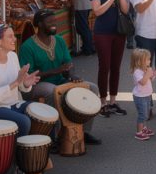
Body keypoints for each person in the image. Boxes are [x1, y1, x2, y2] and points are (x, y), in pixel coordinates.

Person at [19, 10, 102, 144]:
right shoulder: (27, 46)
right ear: (39, 24)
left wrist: (71, 74)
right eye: (50, 22)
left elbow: (68, 63)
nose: (54, 24)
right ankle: (55, 136)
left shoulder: (59, 40)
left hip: (60, 81)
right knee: (52, 91)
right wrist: (56, 70)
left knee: (92, 88)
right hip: (34, 86)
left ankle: (85, 131)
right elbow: (28, 76)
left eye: (54, 21)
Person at [0, 23, 42, 137]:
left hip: (12, 103)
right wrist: (15, 83)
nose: (14, 39)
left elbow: (19, 86)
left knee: (38, 112)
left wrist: (25, 83)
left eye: (13, 35)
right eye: (10, 36)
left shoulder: (13, 56)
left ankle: (38, 150)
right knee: (24, 122)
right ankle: (16, 153)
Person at [90, 0, 131, 116]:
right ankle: (103, 102)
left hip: (118, 32)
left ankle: (113, 101)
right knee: (104, 67)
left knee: (116, 68)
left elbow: (126, 11)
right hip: (102, 32)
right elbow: (97, 11)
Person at [130, 49, 156, 141]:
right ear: (139, 61)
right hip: (140, 97)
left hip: (147, 95)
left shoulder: (145, 69)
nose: (149, 61)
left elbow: (150, 79)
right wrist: (148, 73)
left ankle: (143, 128)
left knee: (146, 113)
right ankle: (139, 132)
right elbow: (142, 82)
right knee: (143, 114)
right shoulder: (137, 72)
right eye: (147, 59)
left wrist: (154, 74)